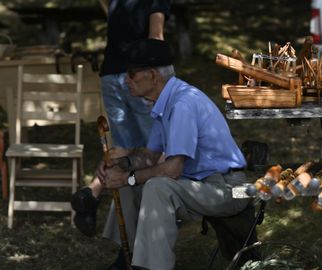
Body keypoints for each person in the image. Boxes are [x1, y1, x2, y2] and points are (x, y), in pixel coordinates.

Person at [96, 38, 250, 270]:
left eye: (131, 74)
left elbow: (172, 169)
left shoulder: (182, 104)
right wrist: (122, 164)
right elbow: (149, 156)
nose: (126, 80)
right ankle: (127, 257)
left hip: (230, 189)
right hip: (200, 183)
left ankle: (151, 267)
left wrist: (129, 176)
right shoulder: (165, 101)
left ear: (153, 75)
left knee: (158, 187)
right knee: (130, 183)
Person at [70, 0, 171, 237]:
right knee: (158, 151)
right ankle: (152, 229)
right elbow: (156, 36)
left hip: (110, 74)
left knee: (125, 151)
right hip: (138, 76)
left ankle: (93, 193)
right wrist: (163, 78)